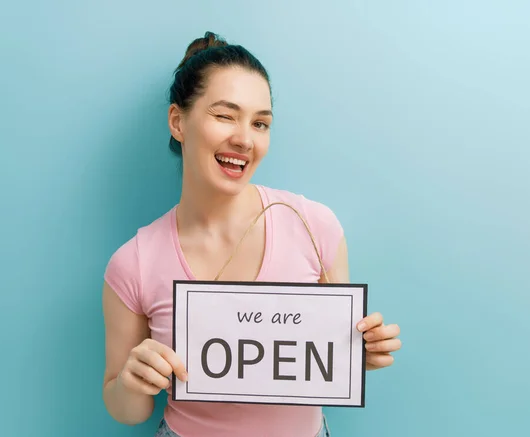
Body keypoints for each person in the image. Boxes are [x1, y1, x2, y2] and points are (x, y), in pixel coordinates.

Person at [102, 31, 402, 437]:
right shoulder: (133, 263)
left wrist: (358, 353)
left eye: (260, 123)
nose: (245, 139)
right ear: (178, 122)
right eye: (225, 115)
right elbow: (127, 409)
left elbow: (329, 363)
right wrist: (130, 382)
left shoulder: (316, 228)